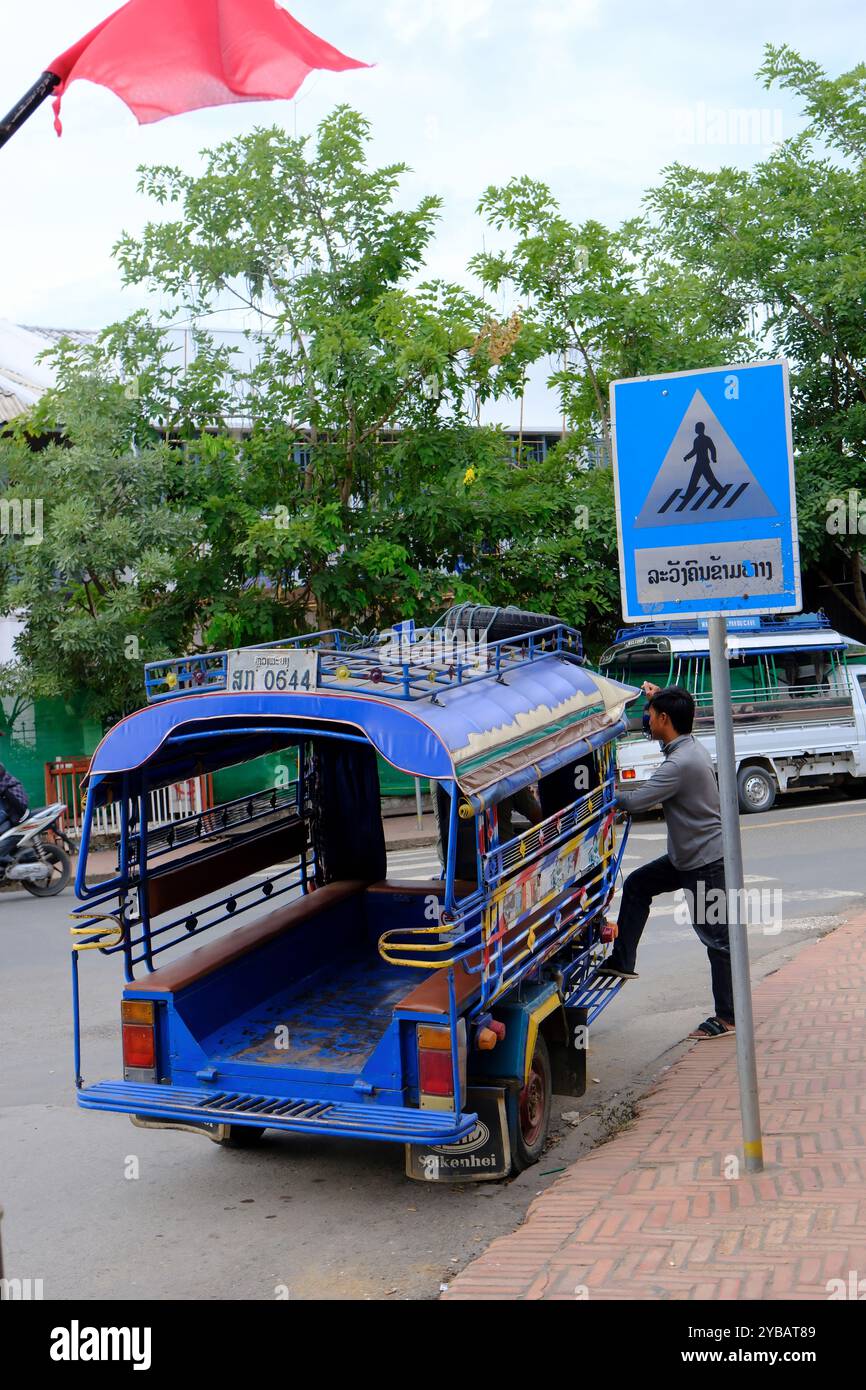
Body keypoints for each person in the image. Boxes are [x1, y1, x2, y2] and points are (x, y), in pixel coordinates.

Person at [598, 683, 736, 1041]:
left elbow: (636, 801)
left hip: (704, 862)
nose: (646, 720)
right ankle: (622, 961)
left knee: (717, 939)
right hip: (685, 856)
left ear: (664, 719)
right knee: (638, 885)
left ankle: (728, 1017)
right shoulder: (686, 745)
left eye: (650, 715)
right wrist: (657, 698)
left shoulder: (680, 763)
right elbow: (675, 709)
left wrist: (602, 796)